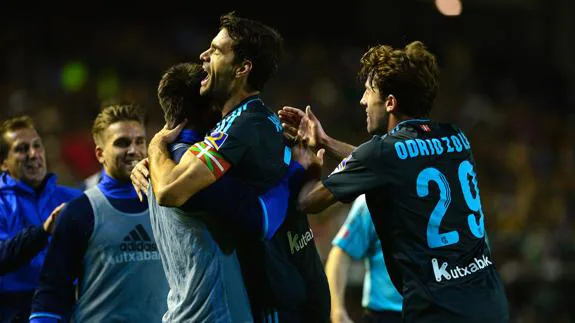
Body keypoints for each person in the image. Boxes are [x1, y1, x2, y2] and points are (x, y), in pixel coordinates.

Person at [279, 41, 509, 323]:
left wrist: (309, 164)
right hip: (491, 302)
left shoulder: (382, 154)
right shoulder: (456, 137)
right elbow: (389, 164)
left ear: (390, 102)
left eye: (368, 92)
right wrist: (326, 141)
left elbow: (307, 201)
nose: (363, 100)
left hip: (437, 310)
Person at [141, 12, 330, 322]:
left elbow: (170, 191)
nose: (204, 55)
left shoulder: (245, 125)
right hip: (287, 289)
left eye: (215, 50)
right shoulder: (253, 120)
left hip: (281, 300)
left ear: (243, 68)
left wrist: (156, 145)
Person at [29, 104, 168, 322]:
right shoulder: (80, 211)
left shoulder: (168, 205)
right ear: (100, 153)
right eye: (122, 143)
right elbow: (52, 292)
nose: (133, 150)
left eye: (140, 141)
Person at [0, 116, 81, 322]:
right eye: (21, 149)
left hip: (70, 308)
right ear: (3, 163)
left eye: (37, 146)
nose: (33, 154)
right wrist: (42, 232)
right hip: (15, 311)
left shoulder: (73, 199)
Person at [326, 195, 402, 323]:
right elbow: (339, 255)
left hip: (435, 309)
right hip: (385, 313)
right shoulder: (373, 200)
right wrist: (337, 311)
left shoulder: (440, 194)